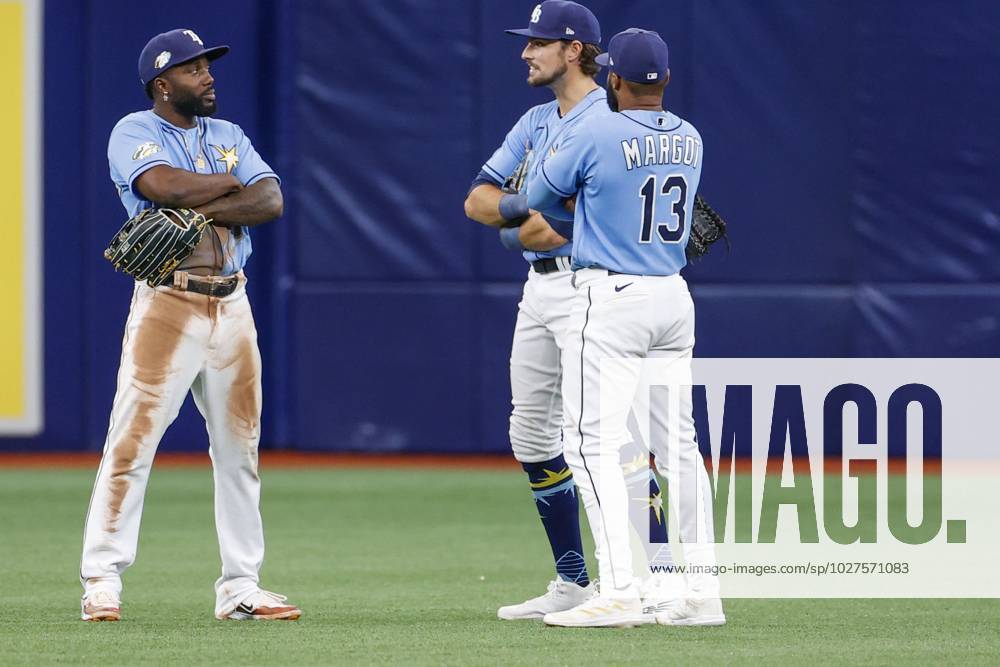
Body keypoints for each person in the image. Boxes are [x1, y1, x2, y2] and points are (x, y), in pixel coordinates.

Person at [79, 28, 300, 622]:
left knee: (240, 448)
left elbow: (271, 201)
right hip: (168, 303)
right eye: (193, 68)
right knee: (133, 439)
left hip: (232, 303)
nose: (208, 76)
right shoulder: (136, 131)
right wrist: (233, 185)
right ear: (162, 83)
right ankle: (102, 577)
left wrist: (198, 206)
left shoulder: (227, 135)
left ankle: (241, 586)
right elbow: (161, 186)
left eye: (208, 66)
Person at [464, 2, 675, 621]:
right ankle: (574, 579)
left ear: (575, 48)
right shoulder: (533, 121)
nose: (526, 53)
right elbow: (479, 199)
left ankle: (657, 580)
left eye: (538, 43)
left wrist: (537, 219)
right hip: (541, 290)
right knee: (530, 432)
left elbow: (570, 224)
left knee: (625, 442)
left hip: (602, 287)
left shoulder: (613, 118)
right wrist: (519, 221)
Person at [527, 28, 725, 628]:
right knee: (679, 450)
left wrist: (574, 207)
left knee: (591, 445)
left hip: (611, 295)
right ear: (663, 80)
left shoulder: (596, 129)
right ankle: (701, 592)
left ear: (613, 79)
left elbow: (537, 196)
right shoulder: (690, 137)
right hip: (672, 294)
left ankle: (617, 589)